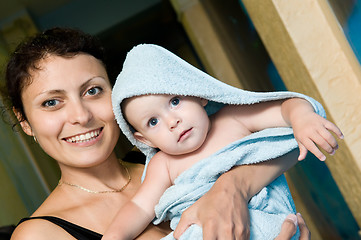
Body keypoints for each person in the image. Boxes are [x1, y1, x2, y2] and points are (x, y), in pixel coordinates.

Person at [2, 27, 312, 240]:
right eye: (52, 103)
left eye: (93, 91)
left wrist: (232, 187)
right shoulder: (41, 234)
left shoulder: (167, 155)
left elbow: (279, 145)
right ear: (25, 122)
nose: (81, 116)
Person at [103, 44, 343, 239]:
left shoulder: (233, 119)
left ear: (197, 94)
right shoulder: (163, 164)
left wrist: (301, 116)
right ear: (143, 139)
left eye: (175, 101)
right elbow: (140, 207)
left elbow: (284, 108)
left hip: (262, 219)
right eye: (153, 121)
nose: (172, 121)